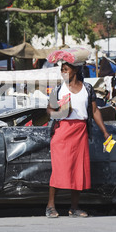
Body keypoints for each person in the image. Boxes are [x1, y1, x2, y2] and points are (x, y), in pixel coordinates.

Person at [46, 61, 110, 218]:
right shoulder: (58, 90)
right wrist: (59, 113)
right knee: (59, 170)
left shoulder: (87, 88)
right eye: (61, 69)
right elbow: (49, 109)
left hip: (80, 132)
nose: (63, 71)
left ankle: (74, 208)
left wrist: (105, 132)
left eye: (65, 68)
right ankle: (50, 206)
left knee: (78, 170)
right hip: (62, 132)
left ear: (75, 70)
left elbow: (94, 110)